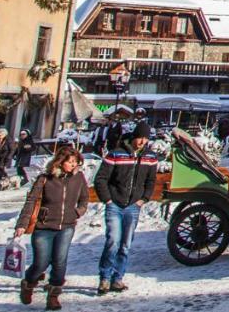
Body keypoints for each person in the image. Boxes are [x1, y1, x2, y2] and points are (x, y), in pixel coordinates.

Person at [14, 145, 88, 310]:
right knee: (41, 262)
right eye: (70, 162)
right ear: (60, 162)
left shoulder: (79, 178)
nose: (74, 165)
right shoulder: (45, 178)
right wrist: (22, 225)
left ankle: (53, 295)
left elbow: (84, 199)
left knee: (60, 262)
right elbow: (31, 202)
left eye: (76, 162)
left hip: (67, 226)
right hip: (44, 226)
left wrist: (78, 212)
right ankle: (28, 283)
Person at [92, 121, 158, 296]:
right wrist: (107, 200)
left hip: (133, 206)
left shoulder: (150, 157)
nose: (142, 142)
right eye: (140, 138)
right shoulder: (116, 154)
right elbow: (101, 179)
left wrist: (143, 199)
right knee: (113, 241)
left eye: (146, 138)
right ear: (134, 136)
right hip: (115, 204)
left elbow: (151, 181)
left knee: (125, 245)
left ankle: (118, 278)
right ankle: (105, 277)